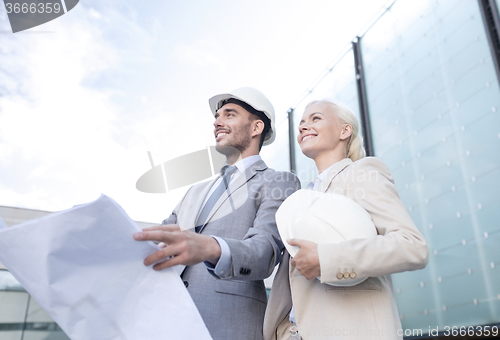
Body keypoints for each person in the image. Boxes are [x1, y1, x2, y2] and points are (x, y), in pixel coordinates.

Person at [134, 87, 300, 340]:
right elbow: (156, 241)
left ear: (256, 128)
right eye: (217, 116)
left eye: (229, 115)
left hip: (229, 325)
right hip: (167, 322)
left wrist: (211, 248)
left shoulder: (277, 181)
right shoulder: (194, 191)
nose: (217, 122)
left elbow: (264, 252)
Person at [263, 100, 429, 340]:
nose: (303, 126)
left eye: (315, 118)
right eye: (301, 123)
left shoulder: (363, 172)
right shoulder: (300, 199)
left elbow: (412, 246)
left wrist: (326, 259)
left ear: (345, 130)